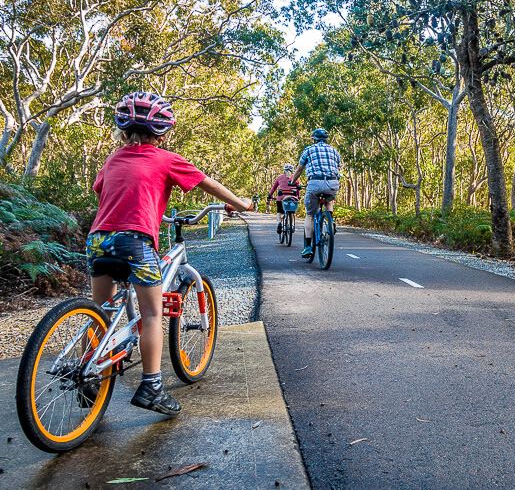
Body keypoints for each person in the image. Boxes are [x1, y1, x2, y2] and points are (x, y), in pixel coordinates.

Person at [86, 92, 254, 416]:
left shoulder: (112, 159)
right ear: (161, 132)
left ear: (123, 130)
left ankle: (87, 376)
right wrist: (240, 202)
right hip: (134, 242)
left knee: (101, 311)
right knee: (151, 315)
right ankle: (152, 387)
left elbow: (101, 191)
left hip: (98, 240)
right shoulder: (165, 159)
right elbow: (209, 185)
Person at [291, 128, 341, 258]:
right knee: (329, 199)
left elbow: (299, 169)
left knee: (310, 215)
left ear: (314, 138)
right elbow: (338, 167)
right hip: (332, 183)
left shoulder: (308, 149)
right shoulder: (334, 150)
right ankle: (330, 221)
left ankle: (308, 246)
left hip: (315, 183)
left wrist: (292, 181)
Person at [267, 163, 302, 234]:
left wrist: (269, 195)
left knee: (279, 212)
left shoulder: (279, 177)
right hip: (292, 198)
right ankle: (291, 225)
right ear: (292, 171)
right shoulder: (295, 178)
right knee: (291, 212)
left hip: (281, 198)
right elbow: (298, 189)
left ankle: (279, 223)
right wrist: (298, 197)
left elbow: (274, 188)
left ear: (284, 170)